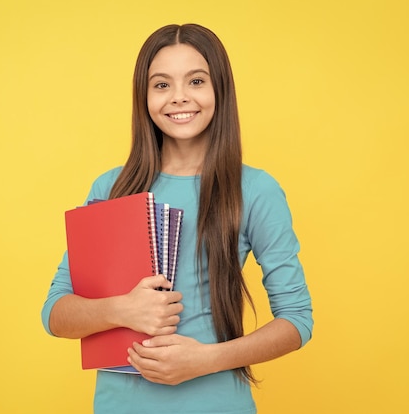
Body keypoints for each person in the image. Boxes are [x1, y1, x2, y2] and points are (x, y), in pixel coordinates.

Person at [41, 23, 313, 414]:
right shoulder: (111, 188)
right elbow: (56, 314)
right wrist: (121, 309)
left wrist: (206, 360)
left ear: (219, 89)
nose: (180, 98)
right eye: (162, 84)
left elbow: (297, 321)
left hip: (217, 403)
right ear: (144, 96)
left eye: (196, 81)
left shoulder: (254, 189)